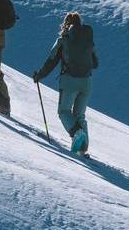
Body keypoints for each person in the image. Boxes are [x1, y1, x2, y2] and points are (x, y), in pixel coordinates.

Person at [33, 12, 98, 155]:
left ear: (66, 23)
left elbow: (51, 61)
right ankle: (83, 148)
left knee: (64, 111)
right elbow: (95, 63)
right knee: (80, 115)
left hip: (69, 81)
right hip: (87, 82)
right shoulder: (88, 38)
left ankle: (77, 133)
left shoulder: (63, 39)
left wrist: (39, 75)